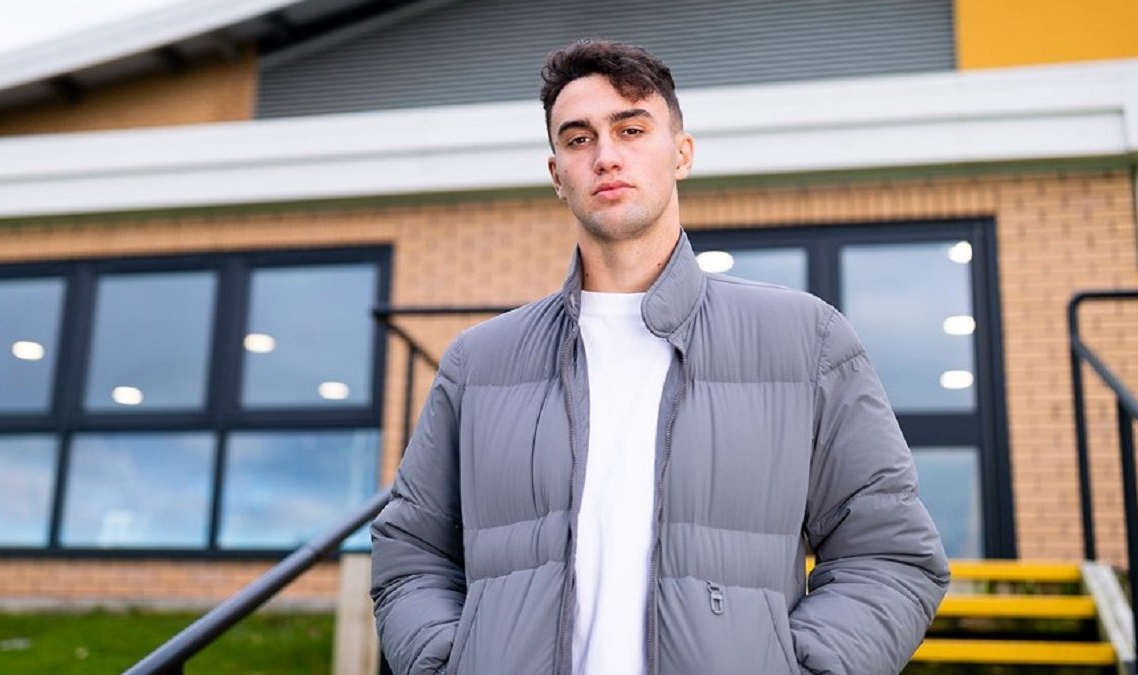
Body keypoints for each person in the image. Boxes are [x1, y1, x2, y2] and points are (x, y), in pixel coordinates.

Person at [371, 39, 949, 675]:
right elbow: (411, 553)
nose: (606, 155)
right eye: (579, 139)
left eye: (631, 129)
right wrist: (447, 663)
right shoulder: (479, 364)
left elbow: (889, 556)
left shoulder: (806, 341)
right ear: (557, 175)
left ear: (682, 153)